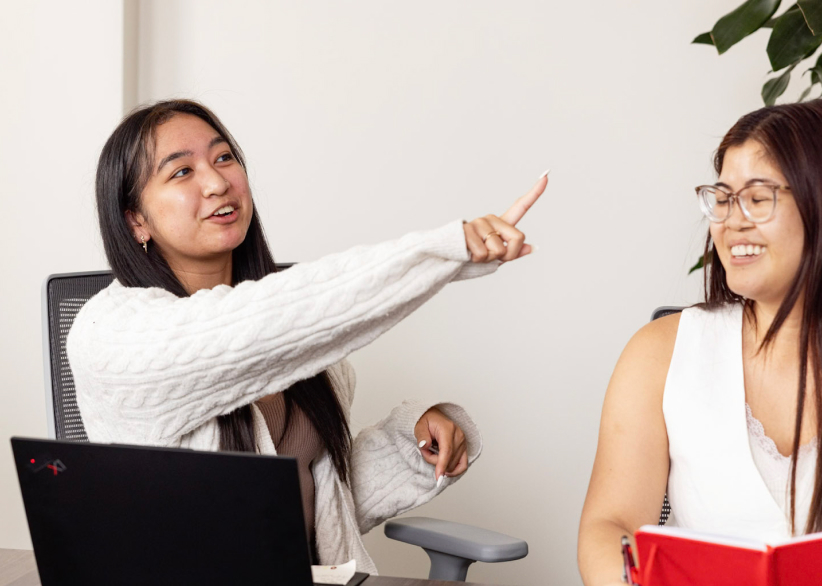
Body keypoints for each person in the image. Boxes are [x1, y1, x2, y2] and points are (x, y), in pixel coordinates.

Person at [66, 99, 545, 574]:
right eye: (181, 172)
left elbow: (318, 504)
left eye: (224, 158)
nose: (216, 183)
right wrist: (441, 253)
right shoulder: (111, 334)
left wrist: (413, 443)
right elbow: (248, 326)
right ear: (136, 220)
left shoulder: (307, 349)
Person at [577, 99, 822, 586]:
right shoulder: (660, 352)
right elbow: (611, 526)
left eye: (758, 197)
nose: (732, 222)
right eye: (724, 198)